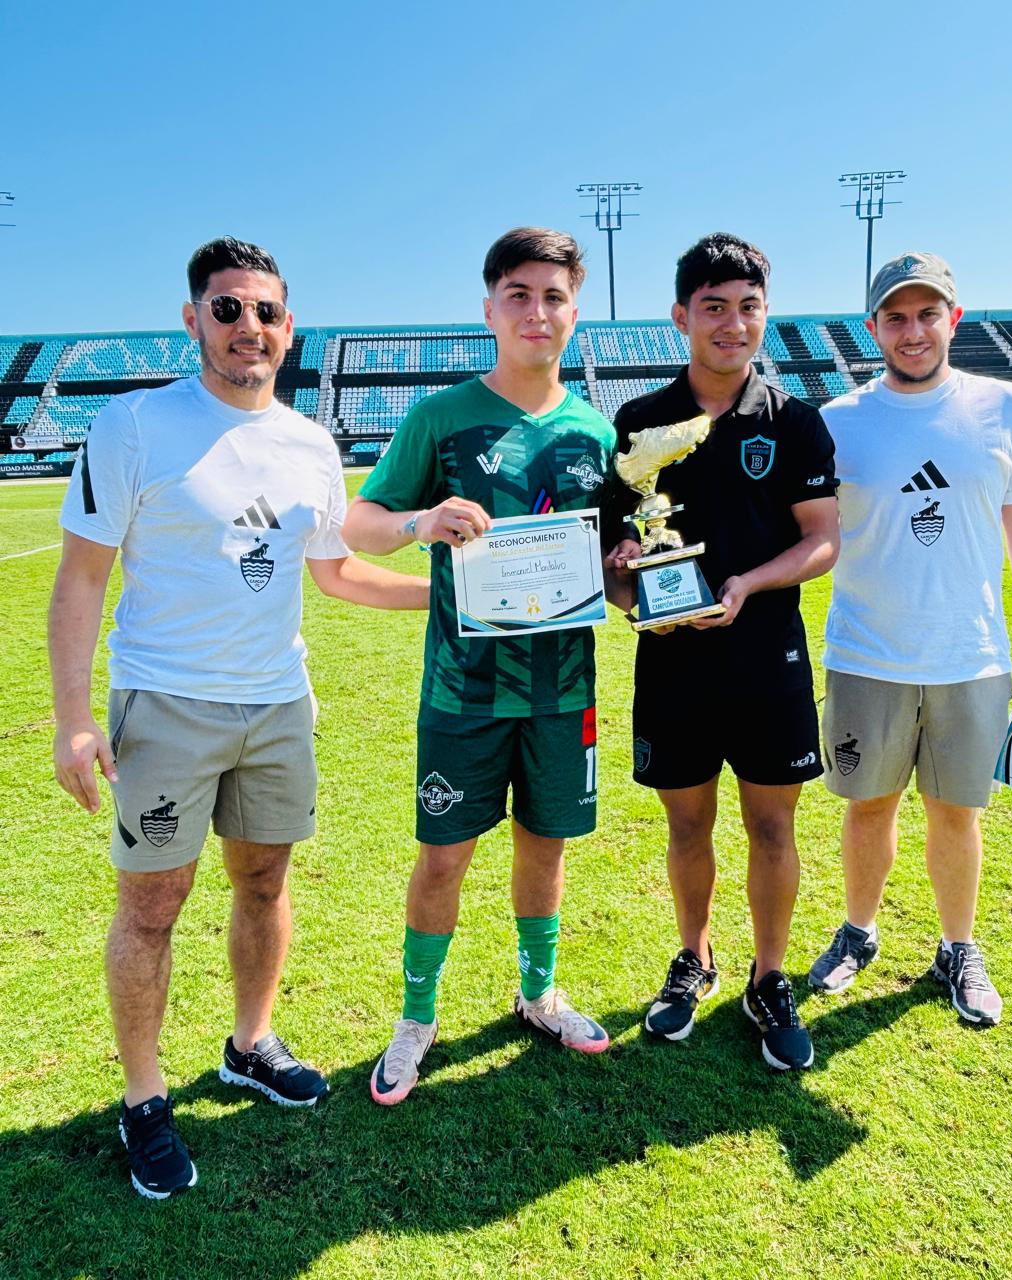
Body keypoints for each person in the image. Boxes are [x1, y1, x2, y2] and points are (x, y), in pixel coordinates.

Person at [49, 236, 429, 1198]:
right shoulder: (135, 424)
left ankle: (250, 1044)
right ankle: (144, 1099)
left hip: (277, 704)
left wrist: (450, 594)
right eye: (227, 308)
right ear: (194, 320)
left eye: (264, 311)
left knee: (264, 883)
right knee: (152, 906)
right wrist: (72, 718)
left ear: (289, 327)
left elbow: (337, 573)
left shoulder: (311, 443)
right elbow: (82, 578)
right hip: (165, 705)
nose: (247, 326)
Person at [342, 227, 622, 1106]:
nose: (538, 312)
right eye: (519, 295)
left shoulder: (596, 431)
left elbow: (610, 560)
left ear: (574, 312)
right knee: (442, 860)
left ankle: (539, 994)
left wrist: (645, 576)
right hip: (461, 692)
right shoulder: (442, 417)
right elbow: (360, 523)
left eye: (554, 296)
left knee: (546, 848)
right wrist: (421, 522)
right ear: (490, 309)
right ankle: (416, 1018)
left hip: (562, 691)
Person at [808, 251, 1012, 1027]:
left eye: (927, 314)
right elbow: (807, 529)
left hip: (970, 655)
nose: (912, 330)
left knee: (957, 814)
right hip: (866, 654)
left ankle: (958, 948)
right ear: (873, 328)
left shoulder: (1003, 406)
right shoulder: (838, 421)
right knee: (868, 807)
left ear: (953, 319)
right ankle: (858, 931)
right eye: (896, 317)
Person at [605, 233, 840, 1070]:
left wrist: (745, 584)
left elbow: (822, 541)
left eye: (747, 307)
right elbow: (616, 560)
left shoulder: (794, 422)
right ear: (681, 316)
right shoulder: (639, 423)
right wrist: (635, 596)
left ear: (764, 315)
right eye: (714, 307)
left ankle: (768, 977)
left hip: (768, 660)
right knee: (687, 825)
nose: (732, 324)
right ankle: (694, 957)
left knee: (773, 826)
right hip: (674, 666)